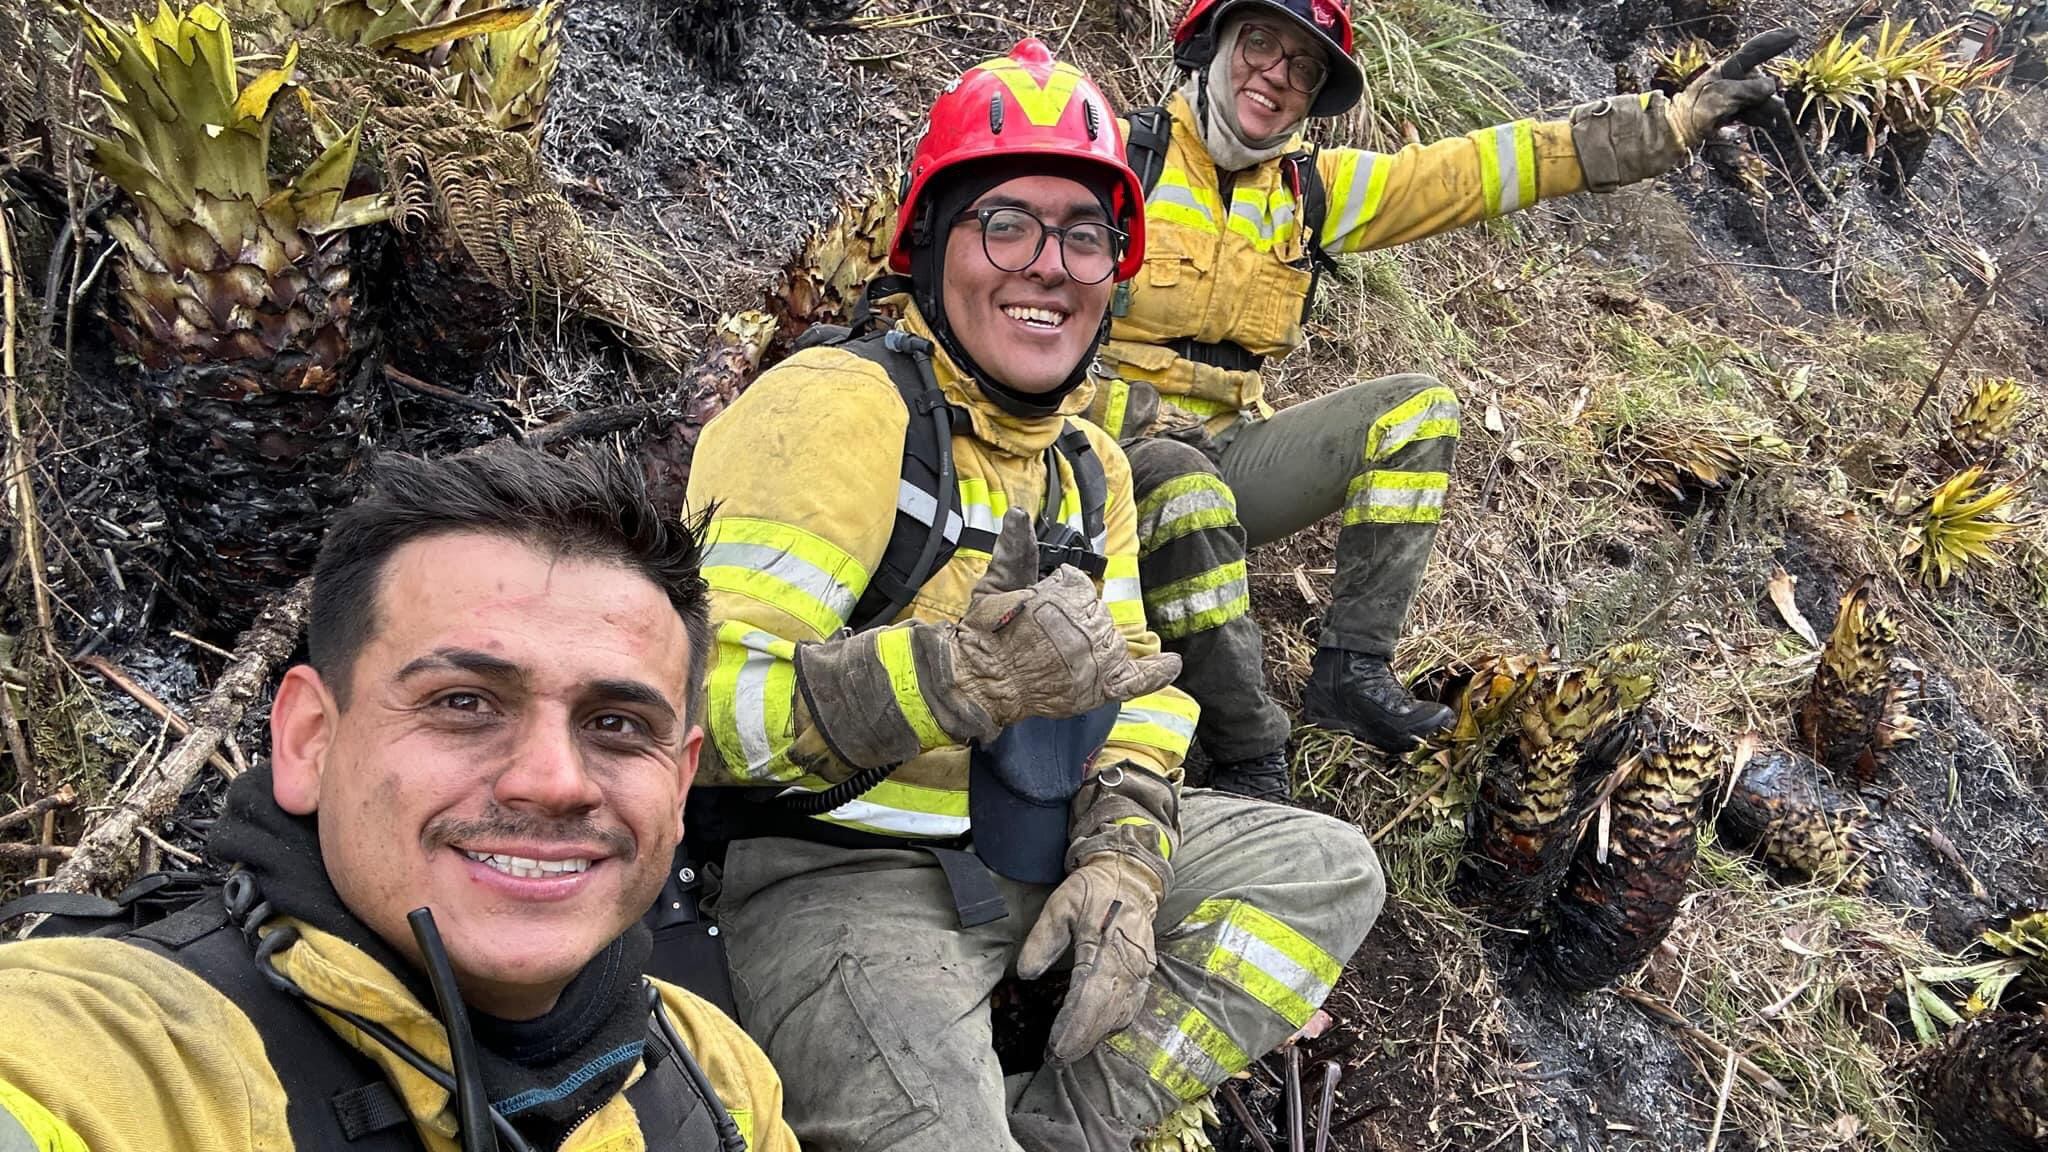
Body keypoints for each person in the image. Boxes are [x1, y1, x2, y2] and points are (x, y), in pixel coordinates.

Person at [684, 39, 1383, 1152]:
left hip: (1033, 843)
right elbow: (698, 713)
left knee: (1322, 869)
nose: (1047, 265)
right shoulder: (833, 411)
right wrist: (954, 678)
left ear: (1116, 269)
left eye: (1084, 234)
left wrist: (1122, 853)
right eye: (1003, 222)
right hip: (840, 875)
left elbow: (1142, 697)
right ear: (929, 245)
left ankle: (1068, 1129)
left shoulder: (1087, 465)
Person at [1091, 0, 1794, 799]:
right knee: (1184, 491)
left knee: (1416, 410)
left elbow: (1479, 170)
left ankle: (1351, 672)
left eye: (1304, 68)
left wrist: (1667, 123)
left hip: (1222, 461)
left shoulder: (1308, 192)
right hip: (1099, 466)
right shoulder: (1111, 156)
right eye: (1260, 43)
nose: (1275, 77)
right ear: (1214, 41)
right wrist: (1127, 417)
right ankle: (1249, 750)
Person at [0, 450, 798, 1152]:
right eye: (463, 703)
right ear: (310, 738)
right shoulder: (125, 1053)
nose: (555, 781)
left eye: (617, 724)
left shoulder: (718, 1077)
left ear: (682, 780)